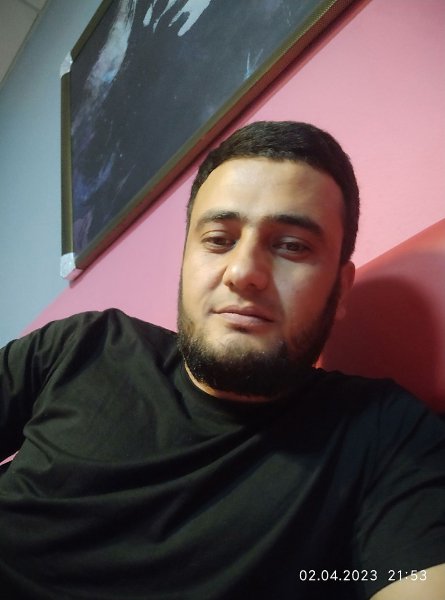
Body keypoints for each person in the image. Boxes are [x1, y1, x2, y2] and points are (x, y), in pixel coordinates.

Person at [0, 121, 444, 600]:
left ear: (340, 288)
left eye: (292, 246)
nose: (244, 272)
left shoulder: (386, 436)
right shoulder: (80, 346)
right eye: (217, 239)